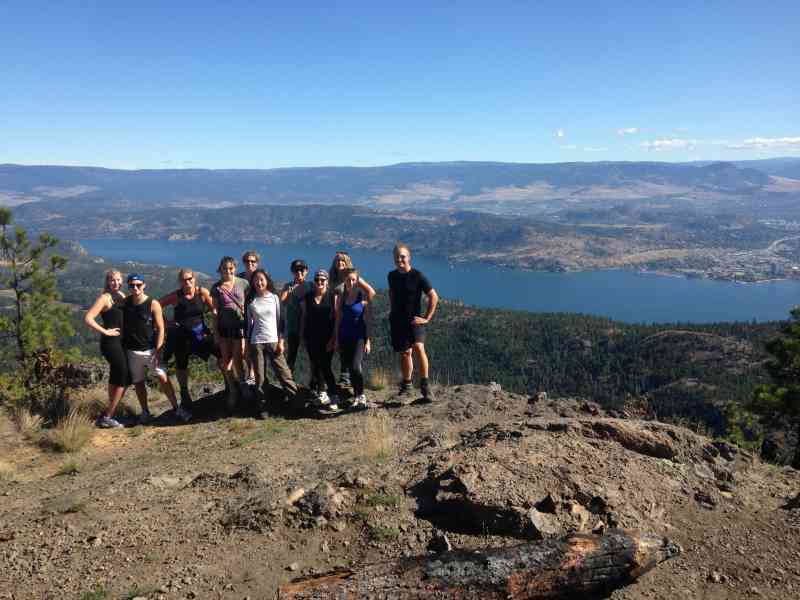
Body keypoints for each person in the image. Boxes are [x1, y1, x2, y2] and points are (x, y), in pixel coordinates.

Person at [122, 273, 190, 423]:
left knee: (162, 377)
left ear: (144, 285)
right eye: (132, 285)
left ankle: (176, 408)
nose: (135, 288)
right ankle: (145, 412)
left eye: (138, 285)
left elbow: (161, 328)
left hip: (151, 349)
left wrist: (159, 350)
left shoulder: (153, 304)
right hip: (132, 350)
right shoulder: (126, 303)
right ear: (128, 287)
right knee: (138, 382)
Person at [158, 268, 219, 411]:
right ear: (180, 282)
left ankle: (231, 385)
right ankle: (185, 394)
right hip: (182, 336)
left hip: (201, 334)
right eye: (184, 280)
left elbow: (214, 309)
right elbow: (156, 305)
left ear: (194, 278)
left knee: (220, 353)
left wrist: (218, 326)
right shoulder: (176, 296)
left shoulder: (201, 292)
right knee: (181, 364)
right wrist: (167, 323)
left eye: (190, 278)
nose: (188, 282)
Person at [388, 243, 438, 402]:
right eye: (396, 256)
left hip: (415, 320)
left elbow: (433, 296)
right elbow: (391, 293)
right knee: (405, 352)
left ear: (409, 257)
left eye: (402, 256)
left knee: (418, 347)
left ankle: (425, 386)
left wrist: (426, 318)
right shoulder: (392, 276)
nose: (399, 259)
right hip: (398, 320)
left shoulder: (418, 276)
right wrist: (392, 311)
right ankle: (407, 385)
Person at [246, 269, 299, 418]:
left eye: (261, 279)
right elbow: (248, 325)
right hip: (256, 341)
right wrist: (246, 344)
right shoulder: (250, 300)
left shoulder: (275, 298)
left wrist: (281, 341)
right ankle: (263, 407)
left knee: (284, 372)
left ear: (267, 280)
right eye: (256, 280)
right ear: (253, 283)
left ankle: (296, 401)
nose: (259, 282)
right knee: (260, 377)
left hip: (273, 340)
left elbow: (282, 321)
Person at [84, 269, 128, 428]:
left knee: (116, 376)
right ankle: (107, 416)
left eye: (118, 280)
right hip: (111, 343)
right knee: (123, 377)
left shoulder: (122, 296)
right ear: (108, 282)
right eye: (112, 280)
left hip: (121, 342)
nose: (115, 283)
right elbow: (88, 318)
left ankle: (111, 411)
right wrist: (105, 331)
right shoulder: (105, 298)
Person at [328, 251, 376, 389]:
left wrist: (365, 306)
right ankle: (345, 377)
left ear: (347, 263)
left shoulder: (353, 277)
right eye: (338, 261)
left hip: (353, 319)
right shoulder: (333, 279)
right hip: (337, 317)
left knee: (354, 355)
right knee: (342, 348)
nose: (340, 264)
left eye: (343, 261)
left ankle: (351, 381)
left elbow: (371, 292)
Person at [210, 256, 249, 409]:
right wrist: (215, 333)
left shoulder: (243, 283)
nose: (228, 271)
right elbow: (214, 311)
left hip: (240, 328)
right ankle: (233, 390)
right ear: (220, 270)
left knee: (238, 360)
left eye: (231, 268)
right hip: (224, 329)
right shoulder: (216, 287)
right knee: (226, 363)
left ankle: (243, 385)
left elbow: (249, 303)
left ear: (235, 268)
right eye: (225, 268)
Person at [300, 269, 340, 412]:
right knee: (315, 366)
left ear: (327, 281)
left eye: (323, 280)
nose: (319, 282)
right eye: (317, 280)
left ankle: (334, 397)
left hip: (327, 338)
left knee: (326, 367)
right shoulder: (308, 297)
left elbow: (337, 319)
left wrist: (334, 338)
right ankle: (322, 394)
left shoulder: (332, 297)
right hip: (311, 337)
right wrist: (303, 337)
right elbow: (304, 318)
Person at [334, 268, 371, 410]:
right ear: (344, 281)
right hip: (344, 337)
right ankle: (356, 397)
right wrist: (336, 339)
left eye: (354, 280)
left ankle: (361, 396)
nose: (351, 282)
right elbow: (338, 319)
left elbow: (368, 319)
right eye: (348, 279)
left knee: (356, 366)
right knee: (350, 368)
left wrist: (368, 340)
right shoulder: (342, 297)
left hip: (359, 337)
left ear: (357, 281)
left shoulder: (362, 296)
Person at [279, 259, 311, 372]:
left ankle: (314, 384)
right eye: (296, 270)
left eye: (302, 270)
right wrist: (289, 292)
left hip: (309, 328)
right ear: (292, 272)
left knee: (312, 357)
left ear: (306, 271)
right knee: (291, 356)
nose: (299, 273)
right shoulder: (288, 286)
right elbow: (281, 302)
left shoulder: (311, 286)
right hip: (293, 327)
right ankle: (289, 383)